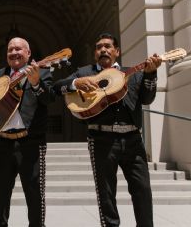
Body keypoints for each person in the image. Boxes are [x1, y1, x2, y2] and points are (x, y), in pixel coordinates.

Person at [53, 33, 161, 227]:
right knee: (106, 194)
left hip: (133, 139)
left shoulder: (133, 73)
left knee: (142, 189)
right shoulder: (85, 72)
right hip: (101, 139)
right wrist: (76, 83)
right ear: (95, 53)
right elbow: (56, 87)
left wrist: (151, 74)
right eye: (99, 47)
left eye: (107, 46)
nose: (103, 49)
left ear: (117, 51)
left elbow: (147, 99)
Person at [0, 37, 55, 227]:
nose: (14, 53)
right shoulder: (0, 74)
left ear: (28, 54)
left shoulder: (42, 72)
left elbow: (49, 100)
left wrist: (36, 83)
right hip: (4, 143)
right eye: (10, 50)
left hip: (31, 143)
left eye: (18, 49)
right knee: (0, 194)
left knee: (34, 193)